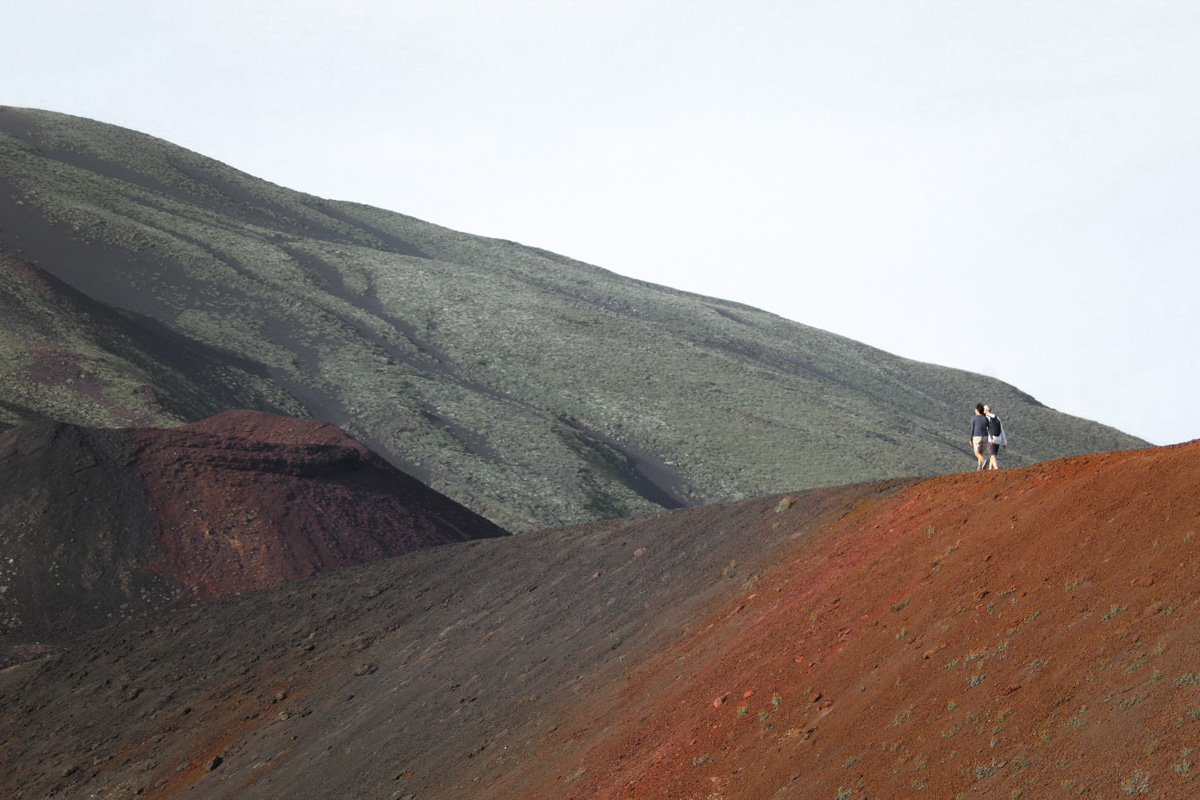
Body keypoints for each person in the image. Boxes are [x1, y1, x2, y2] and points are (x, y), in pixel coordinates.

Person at [984, 404, 1007, 469]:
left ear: (986, 410)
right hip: (998, 440)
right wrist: (1004, 442)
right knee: (992, 457)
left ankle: (997, 469)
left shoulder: (986, 418)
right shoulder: (997, 417)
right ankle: (990, 472)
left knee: (992, 456)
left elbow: (987, 429)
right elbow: (1002, 430)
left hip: (991, 440)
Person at [969, 403, 990, 471]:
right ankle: (979, 467)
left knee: (976, 452)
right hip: (985, 436)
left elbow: (972, 429)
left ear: (977, 410)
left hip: (977, 436)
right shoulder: (985, 418)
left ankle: (983, 461)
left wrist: (970, 439)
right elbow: (989, 428)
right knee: (981, 452)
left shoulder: (974, 418)